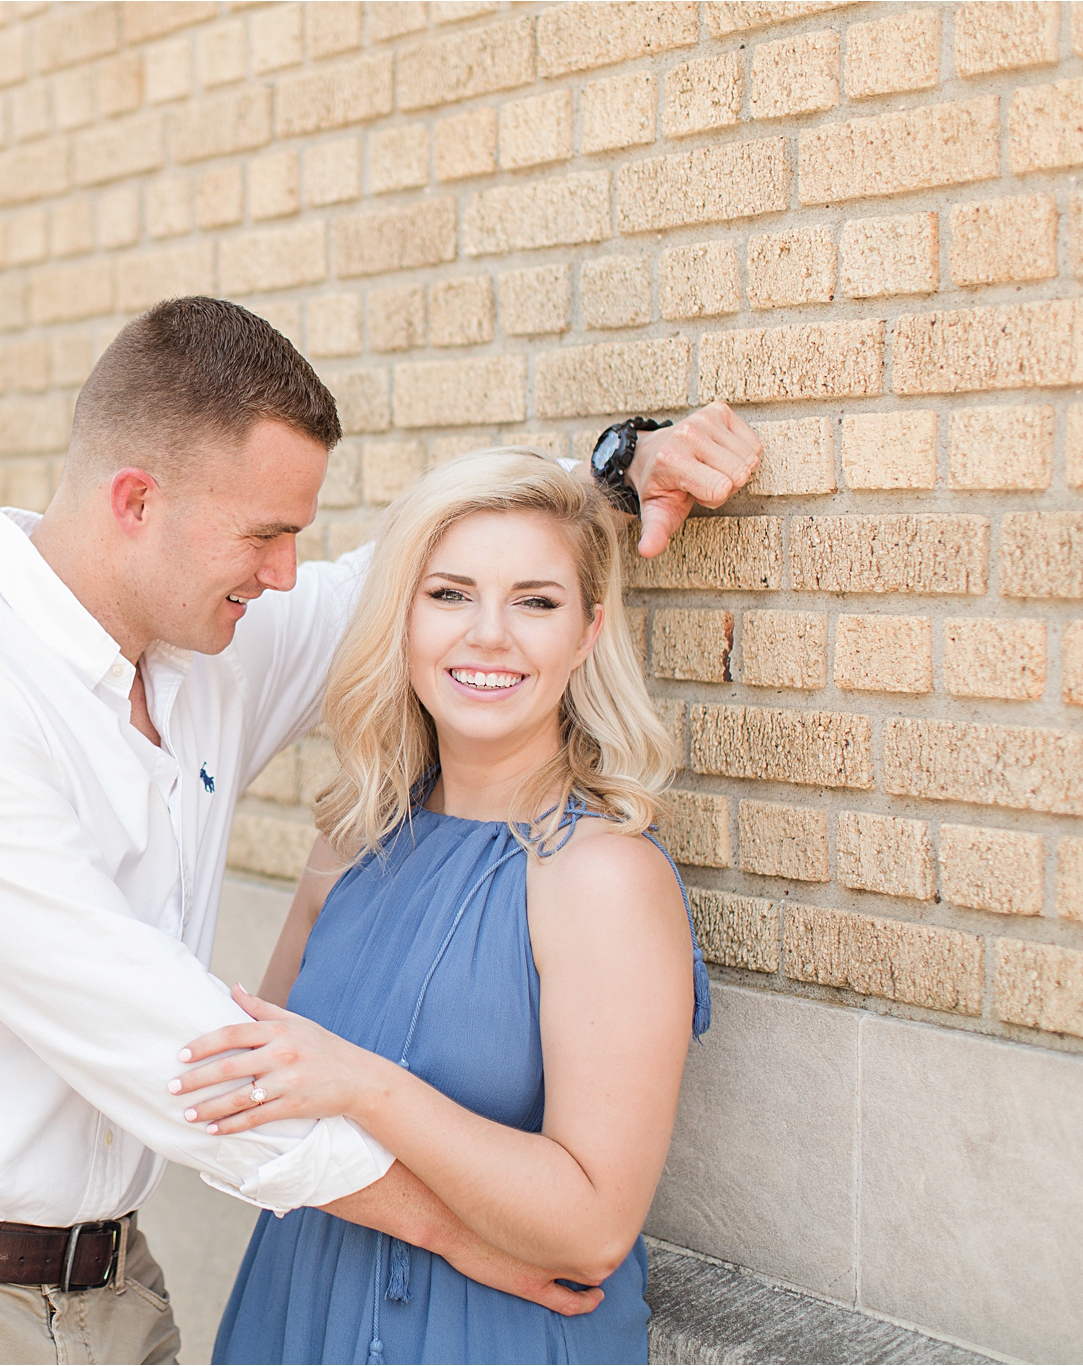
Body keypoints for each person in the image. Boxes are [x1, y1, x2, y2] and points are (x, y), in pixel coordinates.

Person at [0, 297, 760, 1365]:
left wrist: (616, 476)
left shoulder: (208, 641)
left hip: (104, 1294)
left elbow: (430, 583)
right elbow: (174, 1051)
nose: (286, 572)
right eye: (265, 534)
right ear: (134, 503)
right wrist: (453, 1232)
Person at [173, 449, 709, 1365]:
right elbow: (254, 1100)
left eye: (536, 602)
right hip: (297, 1313)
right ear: (403, 620)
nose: (489, 635)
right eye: (450, 595)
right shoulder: (352, 842)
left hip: (490, 1336)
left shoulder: (600, 876)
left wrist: (367, 1086)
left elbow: (593, 1228)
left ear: (587, 632)